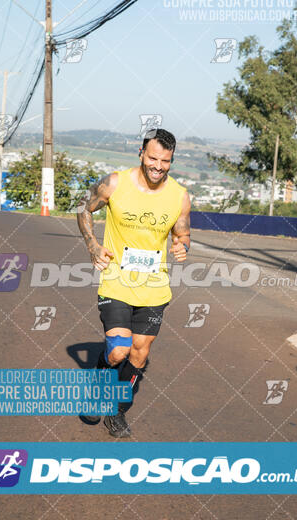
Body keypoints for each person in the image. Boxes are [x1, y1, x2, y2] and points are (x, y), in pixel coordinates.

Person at [77, 129, 191, 437]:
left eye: (165, 161)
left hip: (154, 287)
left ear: (171, 161)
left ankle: (118, 412)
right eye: (152, 157)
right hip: (116, 280)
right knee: (118, 351)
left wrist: (183, 245)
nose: (158, 165)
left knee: (140, 353)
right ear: (141, 153)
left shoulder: (179, 196)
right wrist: (92, 245)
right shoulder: (115, 183)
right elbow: (83, 209)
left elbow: (183, 233)